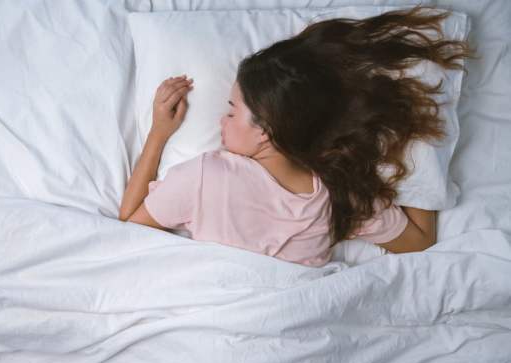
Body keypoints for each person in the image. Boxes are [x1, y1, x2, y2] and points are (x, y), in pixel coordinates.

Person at [118, 6, 473, 267]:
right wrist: (418, 142)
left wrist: (158, 134)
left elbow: (129, 227)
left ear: (266, 131)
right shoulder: (340, 193)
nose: (221, 122)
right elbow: (418, 243)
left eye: (231, 110)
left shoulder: (201, 177)